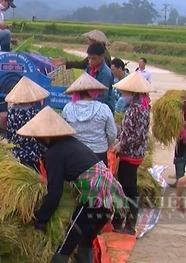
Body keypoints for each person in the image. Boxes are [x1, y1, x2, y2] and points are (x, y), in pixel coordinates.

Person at [21, 107, 128, 263]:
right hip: (111, 194)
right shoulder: (71, 144)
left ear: (44, 136)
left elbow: (54, 191)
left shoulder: (54, 153)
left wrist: (41, 220)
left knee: (67, 243)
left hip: (95, 195)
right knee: (85, 239)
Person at [110, 71, 152, 235]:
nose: (122, 95)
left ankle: (130, 224)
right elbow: (129, 131)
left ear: (133, 94)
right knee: (125, 187)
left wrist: (122, 144)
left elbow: (136, 135)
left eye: (124, 92)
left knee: (128, 188)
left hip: (132, 154)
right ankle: (123, 220)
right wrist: (119, 138)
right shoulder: (137, 108)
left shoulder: (138, 111)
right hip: (131, 152)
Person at [61, 72, 117, 166]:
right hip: (99, 154)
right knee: (98, 179)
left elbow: (63, 131)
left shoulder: (68, 108)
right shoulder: (104, 109)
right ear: (94, 91)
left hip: (75, 153)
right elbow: (112, 133)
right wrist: (105, 145)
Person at [4, 76, 50, 172]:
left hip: (15, 154)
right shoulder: (35, 113)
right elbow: (40, 137)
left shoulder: (11, 112)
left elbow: (9, 134)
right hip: (31, 156)